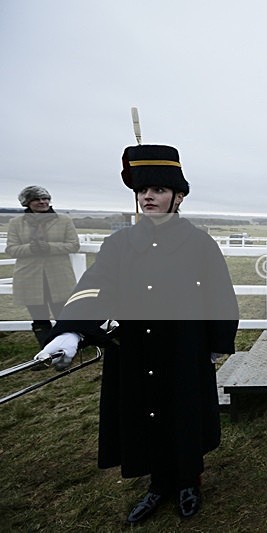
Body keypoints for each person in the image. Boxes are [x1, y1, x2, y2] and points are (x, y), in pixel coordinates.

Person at [35, 144, 239, 523]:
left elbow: (219, 294)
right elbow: (95, 285)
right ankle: (158, 485)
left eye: (159, 189)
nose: (148, 196)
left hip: (183, 347)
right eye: (143, 190)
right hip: (136, 348)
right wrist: (71, 332)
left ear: (178, 196)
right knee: (147, 414)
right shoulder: (120, 244)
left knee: (183, 414)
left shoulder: (199, 244)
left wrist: (217, 344)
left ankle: (188, 482)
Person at [6, 186, 80, 348]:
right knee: (39, 318)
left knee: (63, 316)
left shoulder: (63, 220)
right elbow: (11, 249)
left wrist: (49, 247)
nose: (43, 202)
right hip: (29, 279)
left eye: (45, 198)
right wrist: (30, 248)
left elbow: (73, 245)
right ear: (27, 203)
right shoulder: (16, 223)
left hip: (59, 278)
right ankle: (47, 352)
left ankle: (67, 349)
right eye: (37, 199)